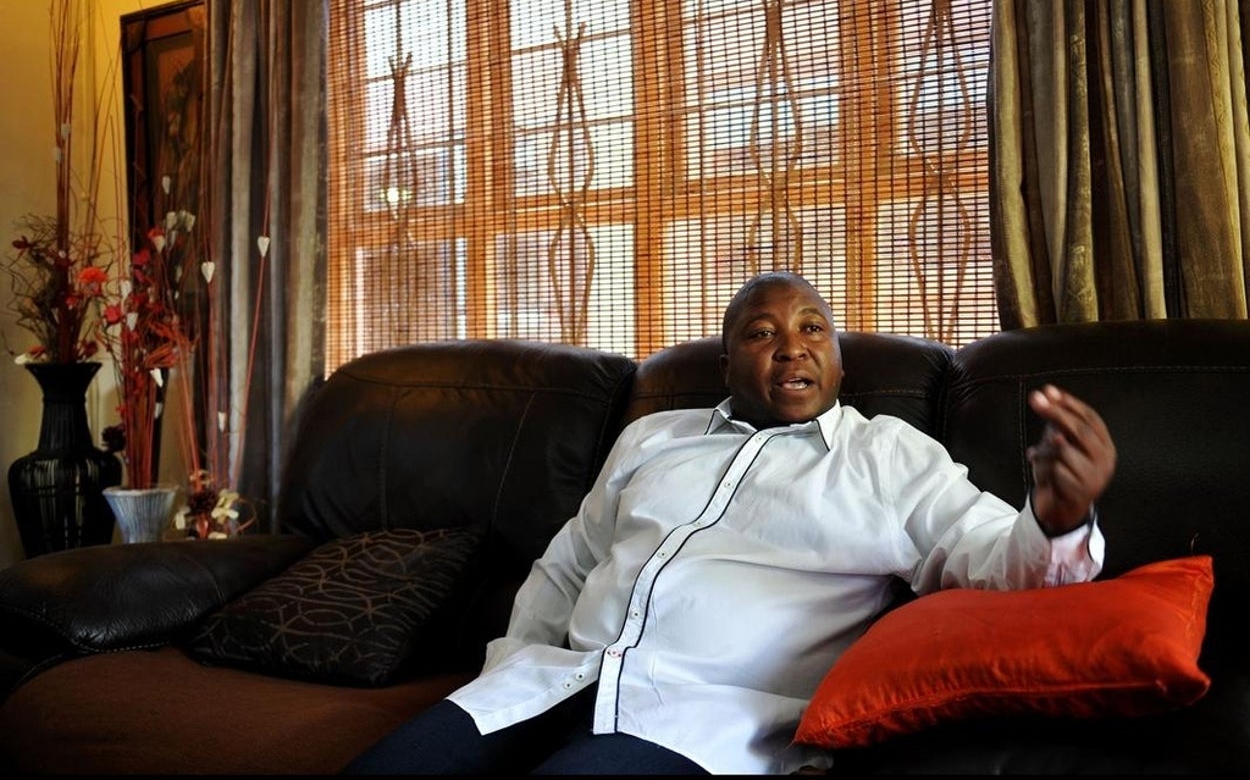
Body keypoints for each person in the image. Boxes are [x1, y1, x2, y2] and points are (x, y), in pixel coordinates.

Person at [344, 271, 1116, 775]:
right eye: (761, 332)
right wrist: (508, 668)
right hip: (543, 686)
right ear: (725, 364)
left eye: (813, 329)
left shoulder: (887, 456)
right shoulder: (653, 438)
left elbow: (995, 561)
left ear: (840, 362)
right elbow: (569, 564)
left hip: (695, 721)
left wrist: (1059, 515)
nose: (791, 348)